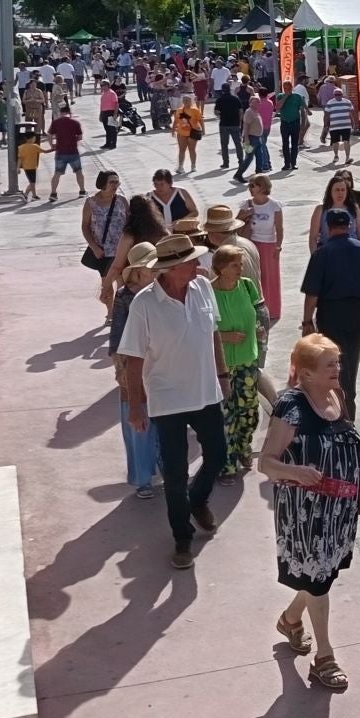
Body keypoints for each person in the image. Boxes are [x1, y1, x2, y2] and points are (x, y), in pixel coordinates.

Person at [257, 334, 360, 691]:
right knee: (319, 581)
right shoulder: (291, 406)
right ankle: (325, 658)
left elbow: (344, 437)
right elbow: (266, 463)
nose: (338, 368)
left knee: (321, 577)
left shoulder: (337, 395)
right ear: (305, 373)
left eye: (338, 361)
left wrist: (359, 470)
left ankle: (291, 620)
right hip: (306, 515)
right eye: (329, 364)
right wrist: (296, 472)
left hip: (340, 508)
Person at [116, 234, 228, 569]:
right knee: (176, 473)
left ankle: (198, 501)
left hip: (206, 391)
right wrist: (136, 405)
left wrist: (223, 375)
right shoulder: (144, 304)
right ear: (171, 268)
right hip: (167, 399)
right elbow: (133, 358)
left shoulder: (203, 288)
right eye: (192, 260)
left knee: (219, 454)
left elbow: (213, 333)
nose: (199, 264)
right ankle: (182, 539)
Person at [300, 207, 360, 422]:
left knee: (332, 362)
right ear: (351, 225)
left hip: (331, 314)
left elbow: (312, 293)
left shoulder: (322, 253)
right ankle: (349, 408)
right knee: (351, 362)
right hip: (358, 313)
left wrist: (307, 321)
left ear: (328, 227)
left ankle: (338, 410)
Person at [109, 243, 162, 499]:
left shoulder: (160, 291)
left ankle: (163, 468)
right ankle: (142, 479)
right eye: (151, 267)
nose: (156, 270)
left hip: (158, 364)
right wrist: (120, 370)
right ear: (139, 270)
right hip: (132, 366)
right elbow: (117, 338)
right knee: (138, 424)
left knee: (162, 421)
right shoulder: (125, 297)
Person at [209, 244, 268, 478]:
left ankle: (244, 446)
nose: (240, 268)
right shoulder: (209, 293)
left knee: (249, 411)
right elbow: (203, 329)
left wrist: (258, 330)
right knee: (227, 415)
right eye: (235, 265)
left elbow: (254, 315)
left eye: (240, 264)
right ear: (221, 268)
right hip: (222, 364)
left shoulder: (246, 285)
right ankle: (228, 463)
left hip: (247, 359)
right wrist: (226, 337)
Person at [237, 174, 286, 323]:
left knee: (269, 277)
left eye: (253, 185)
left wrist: (278, 246)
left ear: (262, 186)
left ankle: (272, 309)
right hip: (251, 243)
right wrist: (245, 215)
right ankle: (253, 307)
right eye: (249, 186)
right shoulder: (246, 204)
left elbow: (279, 228)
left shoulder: (274, 206)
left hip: (269, 244)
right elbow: (235, 223)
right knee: (253, 276)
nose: (250, 189)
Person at [80, 171, 129, 313]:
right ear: (103, 184)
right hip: (103, 251)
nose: (115, 185)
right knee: (106, 283)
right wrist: (94, 247)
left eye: (117, 182)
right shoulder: (91, 203)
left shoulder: (122, 201)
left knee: (121, 282)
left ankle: (122, 313)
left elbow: (130, 222)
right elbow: (85, 226)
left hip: (121, 249)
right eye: (111, 182)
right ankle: (110, 313)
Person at [309, 169, 360, 253]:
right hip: (328, 254)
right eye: (337, 190)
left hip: (353, 253)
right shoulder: (320, 210)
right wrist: (315, 259)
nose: (340, 193)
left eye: (343, 190)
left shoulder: (354, 208)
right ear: (330, 192)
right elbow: (313, 238)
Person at [47, 104, 86, 202]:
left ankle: (53, 193)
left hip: (60, 152)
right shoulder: (75, 123)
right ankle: (82, 191)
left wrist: (52, 145)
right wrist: (73, 139)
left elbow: (49, 134)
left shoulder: (56, 122)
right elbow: (80, 137)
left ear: (61, 113)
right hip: (73, 152)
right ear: (69, 112)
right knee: (78, 172)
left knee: (57, 173)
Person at [234, 89, 267, 182]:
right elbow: (246, 125)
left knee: (260, 156)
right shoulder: (249, 112)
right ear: (250, 103)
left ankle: (259, 173)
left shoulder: (256, 112)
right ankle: (238, 174)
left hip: (258, 138)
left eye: (259, 102)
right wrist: (246, 139)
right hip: (250, 138)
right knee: (249, 158)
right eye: (256, 102)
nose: (258, 103)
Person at [321, 78, 355, 164]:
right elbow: (326, 115)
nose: (338, 96)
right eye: (336, 95)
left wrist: (353, 123)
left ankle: (347, 157)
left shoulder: (347, 102)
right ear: (334, 95)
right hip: (334, 126)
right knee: (335, 142)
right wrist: (326, 124)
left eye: (339, 94)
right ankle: (336, 155)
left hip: (345, 125)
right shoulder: (330, 103)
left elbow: (351, 114)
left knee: (346, 141)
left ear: (342, 94)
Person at [213, 79, 244, 171]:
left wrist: (220, 116)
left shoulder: (219, 100)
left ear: (222, 90)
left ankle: (226, 163)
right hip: (234, 124)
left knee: (224, 144)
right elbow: (241, 111)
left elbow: (216, 112)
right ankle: (241, 161)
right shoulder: (235, 99)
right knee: (238, 144)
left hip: (224, 124)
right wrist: (239, 122)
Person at [172, 92, 203, 173]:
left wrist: (203, 130)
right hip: (181, 133)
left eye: (187, 100)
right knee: (181, 150)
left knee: (192, 149)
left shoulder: (195, 110)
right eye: (184, 100)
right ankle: (180, 167)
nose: (186, 102)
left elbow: (200, 120)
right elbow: (175, 121)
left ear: (191, 101)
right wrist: (173, 130)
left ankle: (193, 166)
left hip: (192, 132)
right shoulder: (179, 110)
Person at [15, 125, 43, 204]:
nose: (35, 139)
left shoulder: (21, 147)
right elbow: (44, 151)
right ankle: (29, 195)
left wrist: (18, 168)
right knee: (32, 182)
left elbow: (20, 158)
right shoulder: (35, 146)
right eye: (34, 137)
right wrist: (54, 148)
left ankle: (30, 195)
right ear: (31, 138)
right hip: (32, 166)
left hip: (26, 167)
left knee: (32, 182)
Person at [98, 78, 121, 150]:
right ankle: (108, 143)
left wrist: (115, 114)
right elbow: (102, 105)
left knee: (113, 129)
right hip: (104, 112)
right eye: (101, 85)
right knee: (107, 129)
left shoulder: (112, 93)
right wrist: (101, 114)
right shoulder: (103, 93)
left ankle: (113, 144)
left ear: (108, 85)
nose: (102, 87)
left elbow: (116, 104)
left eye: (104, 85)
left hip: (111, 112)